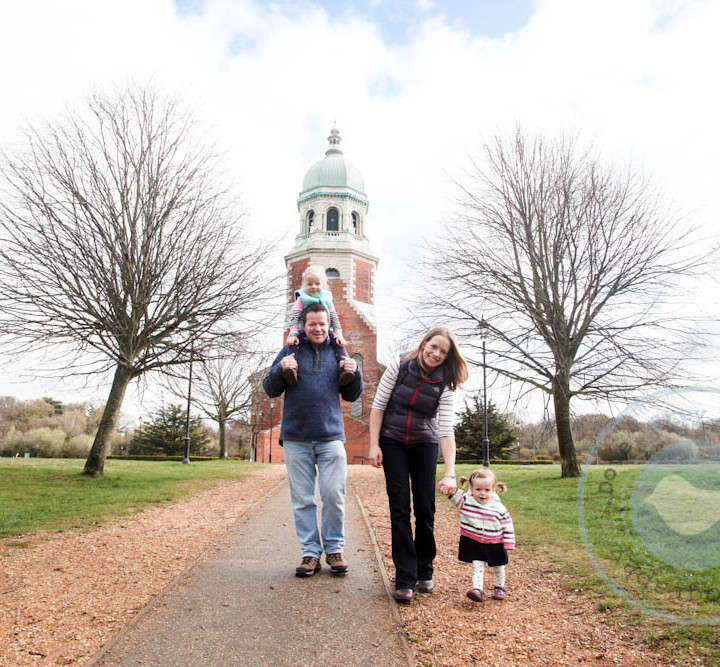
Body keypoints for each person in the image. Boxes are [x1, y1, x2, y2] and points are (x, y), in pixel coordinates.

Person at [368, 327, 468, 602]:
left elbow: (446, 430)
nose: (436, 354)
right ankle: (404, 579)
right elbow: (378, 406)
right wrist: (374, 445)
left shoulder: (445, 382)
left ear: (447, 356)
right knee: (399, 508)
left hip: (425, 443)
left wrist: (450, 473)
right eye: (433, 347)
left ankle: (425, 570)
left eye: (443, 352)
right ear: (424, 344)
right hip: (393, 441)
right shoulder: (400, 366)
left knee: (425, 509)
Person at [263, 302, 362, 578]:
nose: (318, 328)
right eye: (312, 324)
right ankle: (310, 553)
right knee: (303, 499)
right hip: (296, 437)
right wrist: (279, 368)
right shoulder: (291, 349)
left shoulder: (338, 350)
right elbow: (270, 388)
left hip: (331, 436)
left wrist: (354, 372)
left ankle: (334, 549)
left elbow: (353, 395)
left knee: (334, 495)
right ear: (303, 326)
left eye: (322, 323)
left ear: (329, 324)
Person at [441, 468, 515, 602]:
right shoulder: (465, 501)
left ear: (493, 490)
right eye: (478, 489)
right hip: (475, 542)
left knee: (498, 566)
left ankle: (499, 587)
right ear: (471, 488)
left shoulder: (498, 508)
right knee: (478, 566)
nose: (482, 493)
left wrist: (509, 541)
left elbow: (507, 524)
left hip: (495, 542)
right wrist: (447, 487)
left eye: (487, 490)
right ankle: (477, 589)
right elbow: (453, 493)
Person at [285, 264, 353, 385]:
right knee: (293, 344)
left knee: (338, 345)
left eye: (317, 284)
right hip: (303, 330)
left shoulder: (327, 299)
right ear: (304, 285)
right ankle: (291, 367)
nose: (314, 287)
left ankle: (344, 367)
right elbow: (294, 316)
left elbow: (334, 317)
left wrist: (338, 334)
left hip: (328, 331)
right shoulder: (301, 298)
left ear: (323, 285)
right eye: (309, 284)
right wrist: (293, 333)